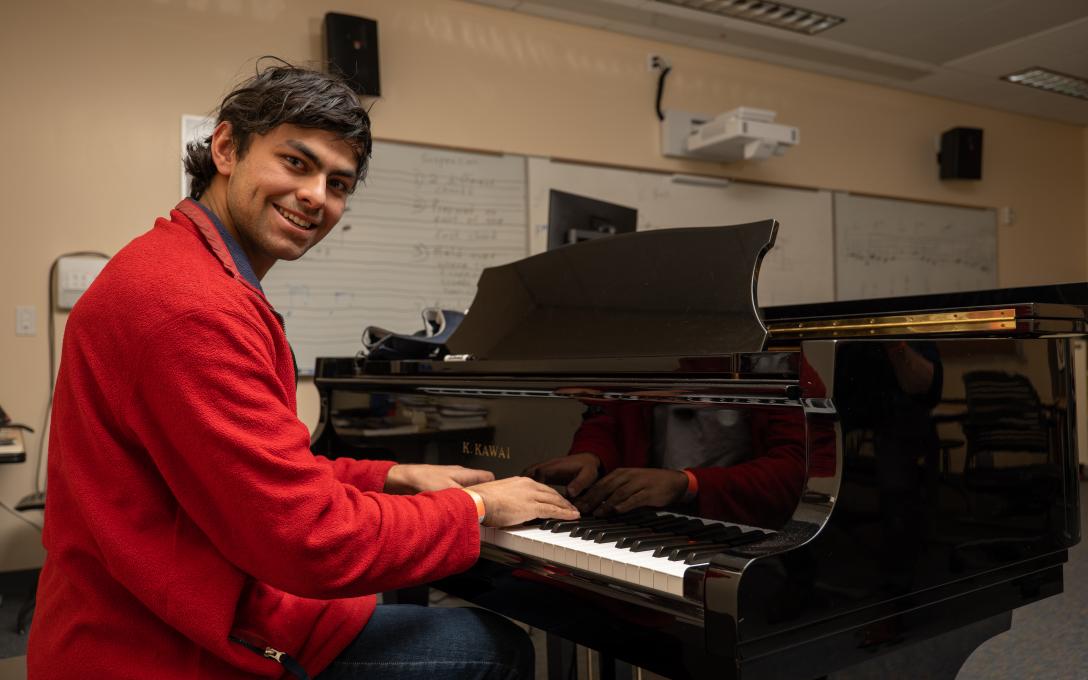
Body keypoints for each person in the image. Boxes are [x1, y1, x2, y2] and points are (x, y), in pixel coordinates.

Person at [27, 63, 578, 680]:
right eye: (297, 162)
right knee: (491, 649)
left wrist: (390, 474)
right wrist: (477, 508)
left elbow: (257, 475)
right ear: (228, 148)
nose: (318, 195)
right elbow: (309, 542)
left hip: (186, 605)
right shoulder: (191, 305)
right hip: (153, 648)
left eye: (338, 183)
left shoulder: (190, 268)